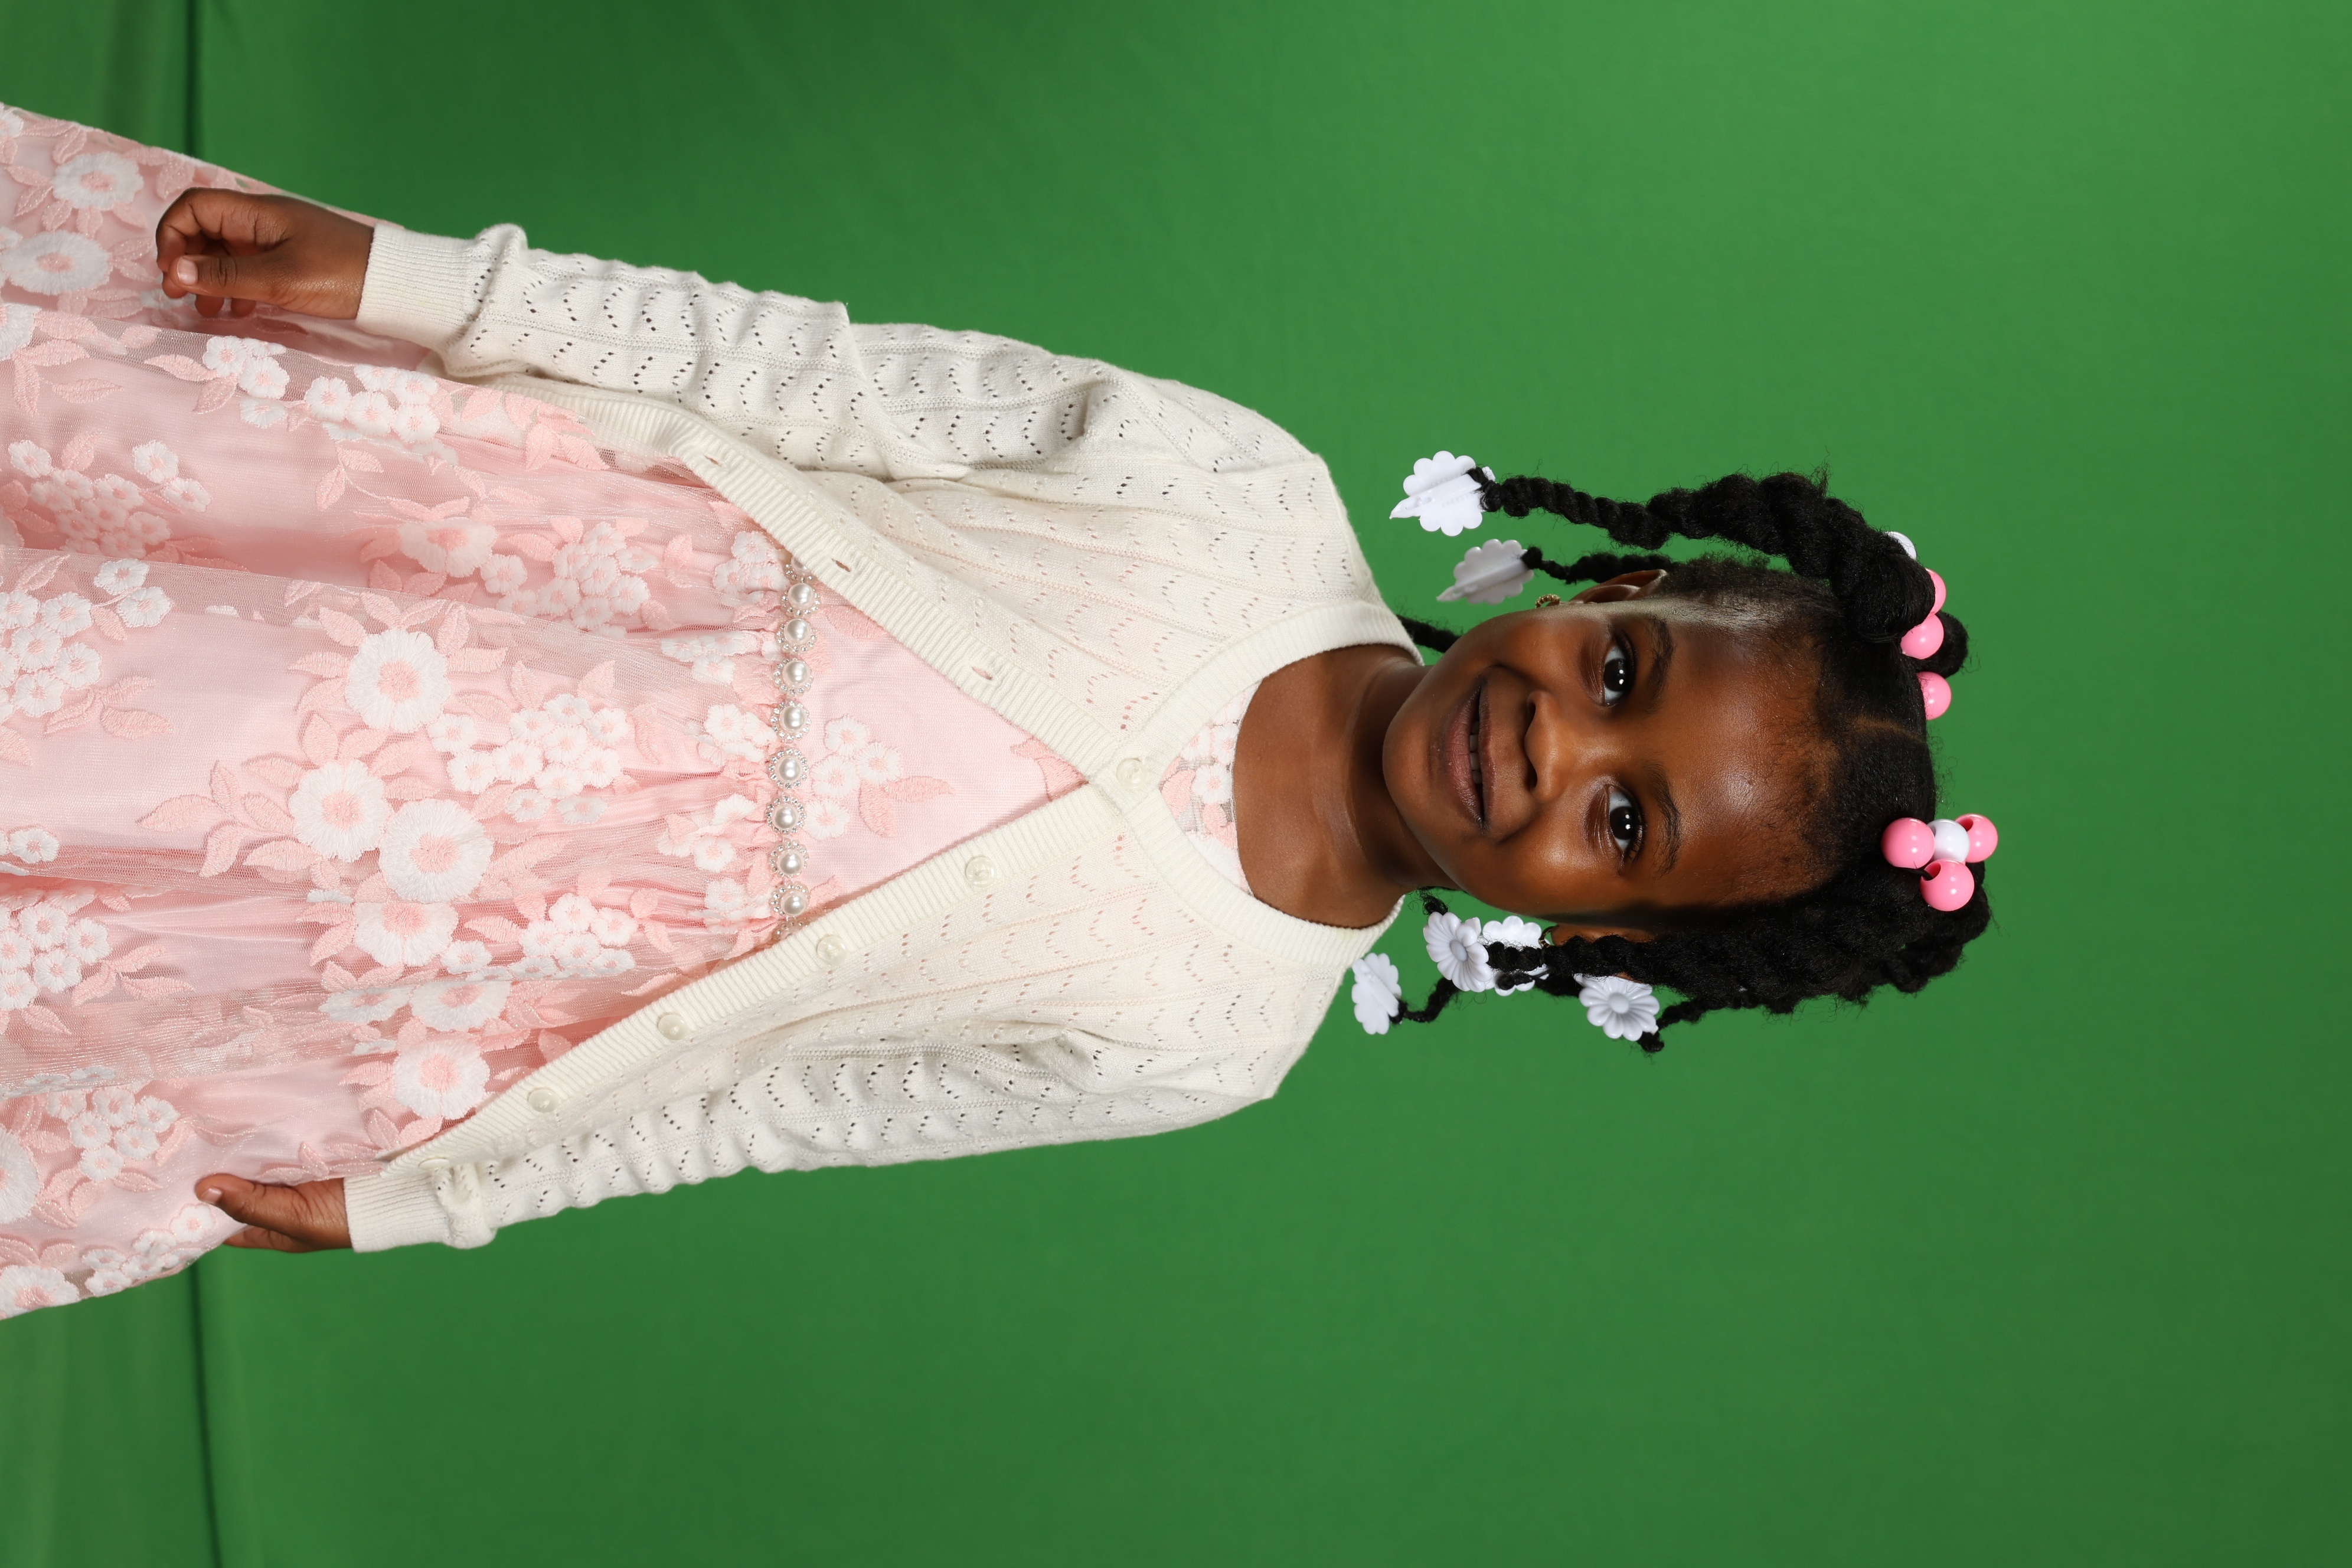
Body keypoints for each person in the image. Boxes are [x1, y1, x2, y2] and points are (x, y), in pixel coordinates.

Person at [0, 108, 1991, 1318]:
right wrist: (440, 288)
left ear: (1603, 934)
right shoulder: (1239, 493)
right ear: (1601, 587)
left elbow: (771, 1109)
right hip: (469, 577)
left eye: (1626, 824)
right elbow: (799, 374)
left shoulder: (1215, 1042)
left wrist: (442, 1194)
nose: (1563, 748)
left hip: (456, 919)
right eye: (1622, 674)